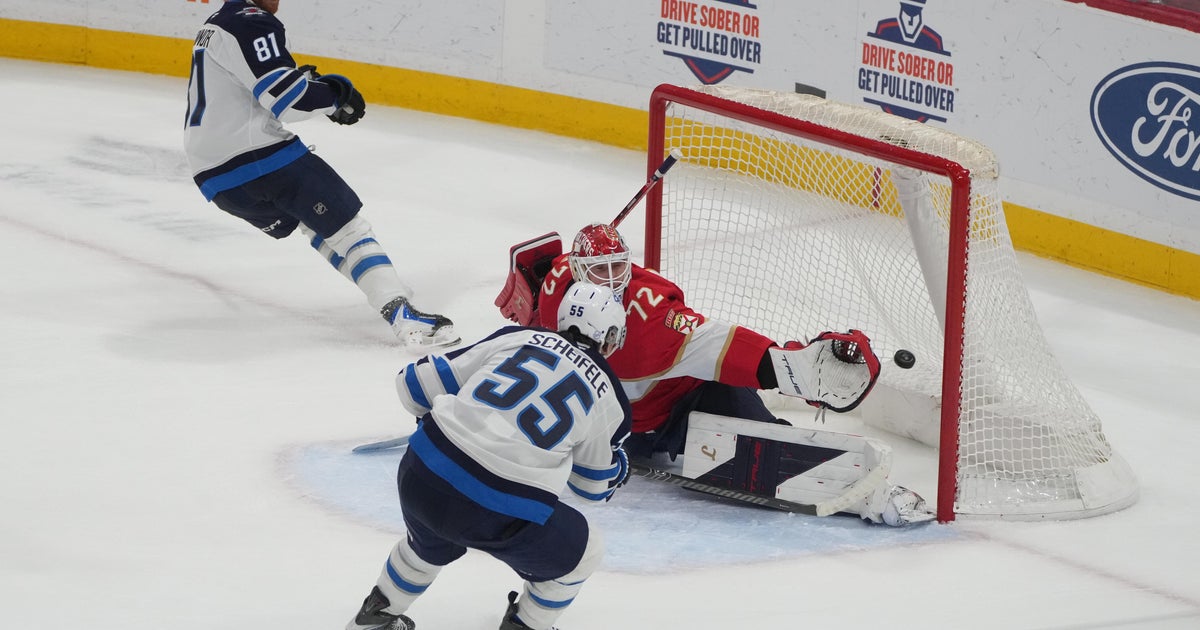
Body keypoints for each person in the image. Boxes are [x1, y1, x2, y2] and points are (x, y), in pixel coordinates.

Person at [496, 223, 931, 526]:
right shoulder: (554, 285)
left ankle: (869, 495)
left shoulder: (653, 317)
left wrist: (789, 368)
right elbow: (534, 274)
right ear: (574, 269)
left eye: (617, 267)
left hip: (677, 410)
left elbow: (716, 343)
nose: (610, 280)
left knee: (772, 446)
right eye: (598, 270)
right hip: (611, 427)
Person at [346, 282, 633, 630]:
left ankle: (375, 618)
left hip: (422, 472)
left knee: (425, 542)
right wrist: (620, 467)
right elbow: (592, 485)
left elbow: (412, 385)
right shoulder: (609, 394)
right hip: (499, 511)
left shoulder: (517, 337)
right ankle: (526, 625)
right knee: (586, 552)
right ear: (610, 335)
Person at [183, 0, 457, 347]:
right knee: (347, 225)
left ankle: (383, 288)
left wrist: (308, 83)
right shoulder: (253, 21)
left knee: (313, 223)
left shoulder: (216, 23)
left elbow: (251, 85)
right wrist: (334, 96)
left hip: (213, 176)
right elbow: (287, 100)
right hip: (254, 158)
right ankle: (403, 316)